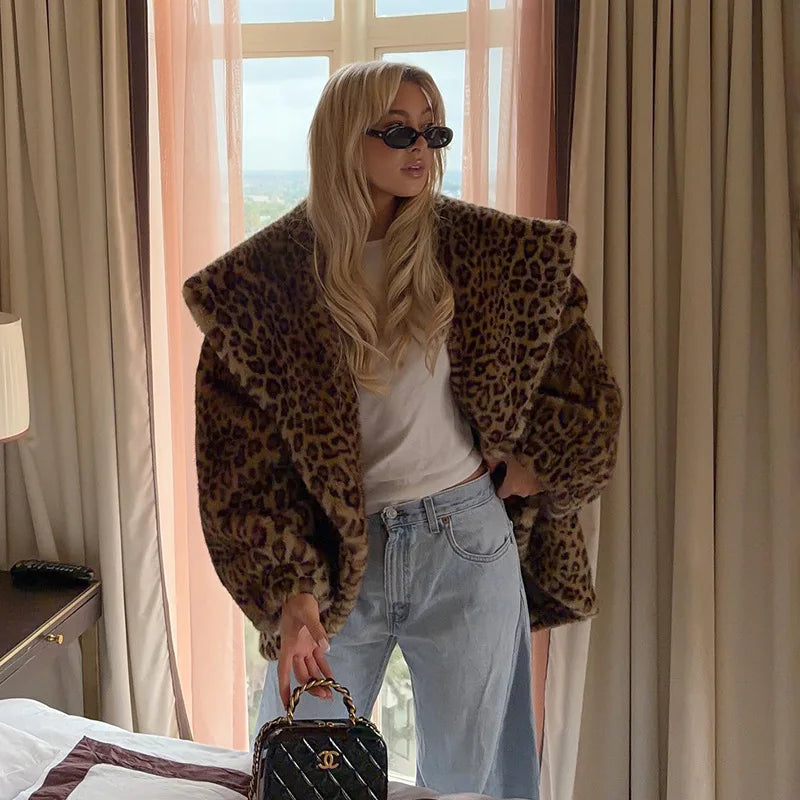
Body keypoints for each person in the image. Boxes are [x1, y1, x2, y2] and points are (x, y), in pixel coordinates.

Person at [183, 60, 622, 800]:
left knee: (473, 781)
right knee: (306, 773)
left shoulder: (493, 253)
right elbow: (240, 471)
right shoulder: (265, 282)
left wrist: (532, 468)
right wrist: (290, 592)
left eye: (432, 131)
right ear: (341, 137)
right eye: (396, 131)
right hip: (335, 556)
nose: (420, 147)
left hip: (465, 541)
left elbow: (585, 396)